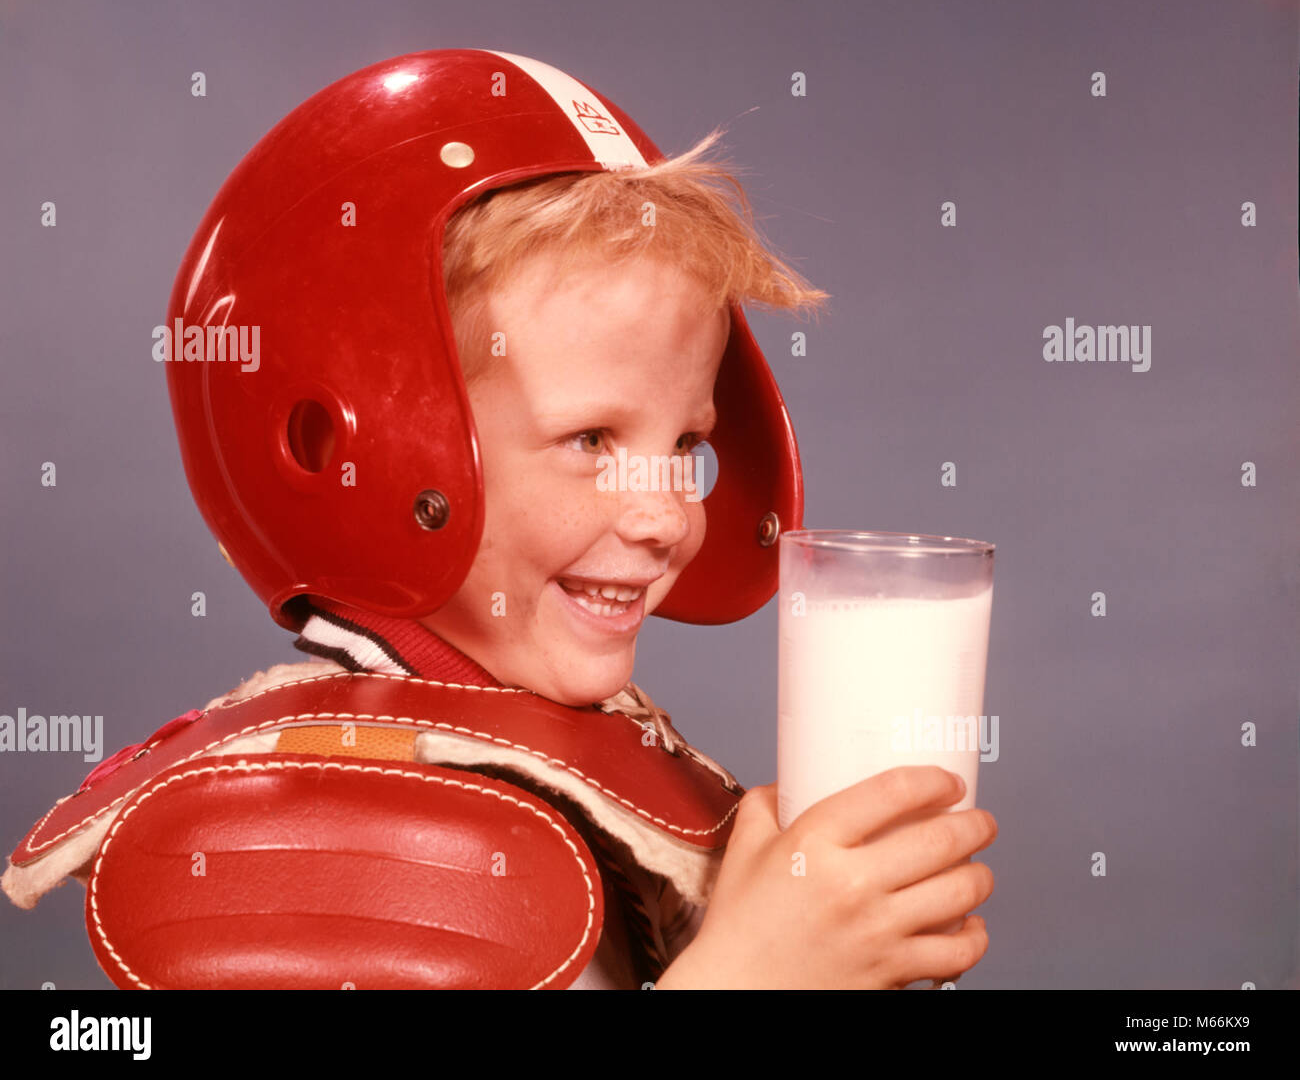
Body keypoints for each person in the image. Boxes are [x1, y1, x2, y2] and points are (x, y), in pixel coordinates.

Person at [2, 49, 996, 989]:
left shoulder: (562, 749)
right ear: (366, 446)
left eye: (684, 447)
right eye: (591, 440)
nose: (664, 517)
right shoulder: (327, 833)